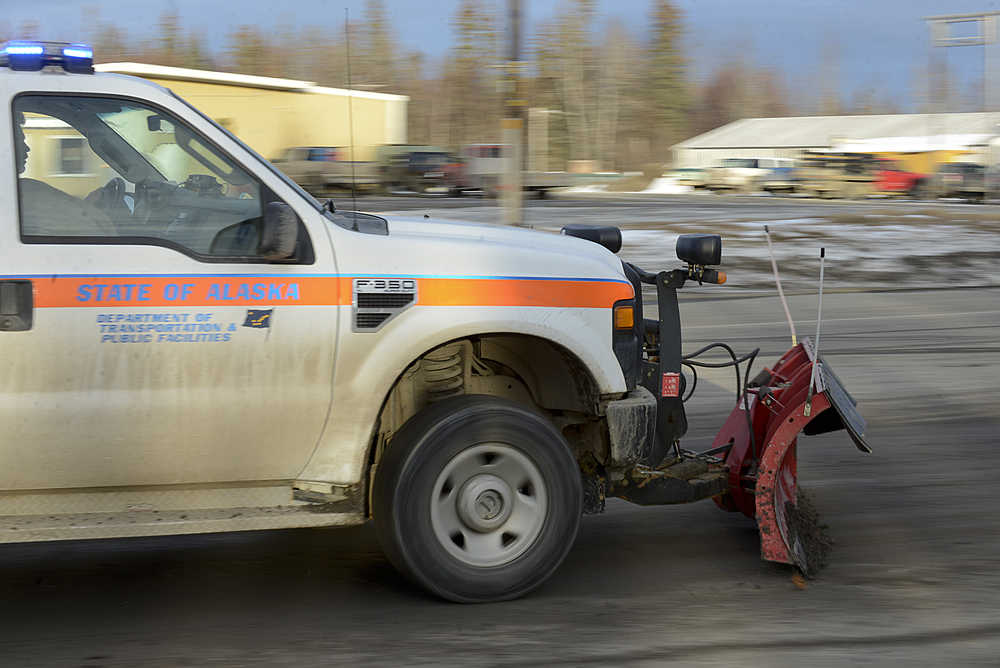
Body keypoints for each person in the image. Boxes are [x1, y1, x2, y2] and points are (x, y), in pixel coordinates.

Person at [14, 110, 117, 237]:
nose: (27, 148)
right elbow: (100, 231)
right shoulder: (25, 191)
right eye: (19, 140)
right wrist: (91, 212)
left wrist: (86, 206)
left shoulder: (19, 191)